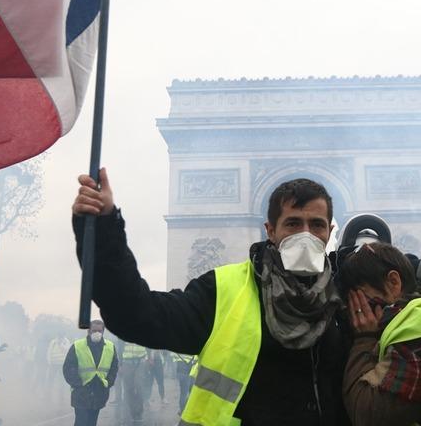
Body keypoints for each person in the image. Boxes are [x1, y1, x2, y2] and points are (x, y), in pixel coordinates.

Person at [71, 170, 349, 425]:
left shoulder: (346, 302)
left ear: (330, 232)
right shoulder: (223, 291)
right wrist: (104, 229)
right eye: (292, 223)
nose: (305, 234)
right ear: (270, 230)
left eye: (316, 225)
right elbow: (137, 315)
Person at [337, 241, 421, 426]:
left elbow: (367, 415)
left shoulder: (419, 331)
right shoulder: (407, 317)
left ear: (393, 282)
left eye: (362, 302)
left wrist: (363, 340)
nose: (359, 316)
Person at [63, 320, 119, 426]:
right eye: (94, 330)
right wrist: (78, 383)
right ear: (88, 331)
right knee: (81, 422)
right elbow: (68, 367)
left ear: (103, 331)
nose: (97, 333)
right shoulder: (78, 346)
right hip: (81, 392)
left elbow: (114, 367)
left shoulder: (110, 347)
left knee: (92, 422)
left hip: (99, 392)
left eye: (99, 331)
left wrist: (108, 382)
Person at [119, 342, 148, 424]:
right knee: (129, 389)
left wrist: (150, 358)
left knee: (139, 386)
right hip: (127, 362)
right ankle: (133, 412)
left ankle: (139, 412)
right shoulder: (122, 332)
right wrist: (120, 364)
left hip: (140, 361)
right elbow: (120, 348)